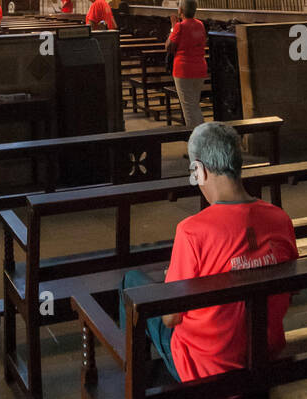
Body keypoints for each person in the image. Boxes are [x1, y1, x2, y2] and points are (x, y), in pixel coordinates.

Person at [119, 122, 298, 382]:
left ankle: (132, 380)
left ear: (200, 170)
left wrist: (175, 281)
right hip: (266, 353)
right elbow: (289, 293)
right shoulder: (280, 219)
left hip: (205, 366)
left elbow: (170, 318)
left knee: (132, 283)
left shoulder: (192, 232)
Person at [167, 0, 208, 129]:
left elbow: (169, 47)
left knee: (189, 110)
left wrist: (173, 26)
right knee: (194, 105)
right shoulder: (200, 25)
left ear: (181, 10)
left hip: (184, 70)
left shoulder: (180, 26)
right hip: (200, 68)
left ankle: (197, 144)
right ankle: (202, 139)